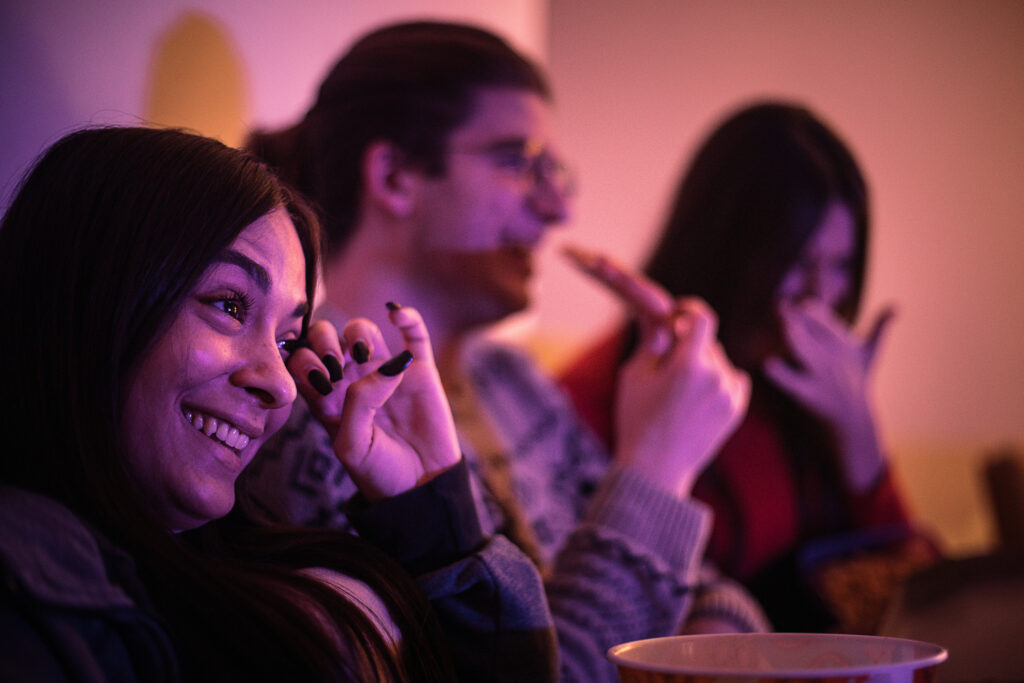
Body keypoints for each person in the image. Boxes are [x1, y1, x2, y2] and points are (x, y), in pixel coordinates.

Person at [239, 20, 769, 682]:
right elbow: (539, 675)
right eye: (517, 161)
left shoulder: (512, 382)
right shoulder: (317, 410)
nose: (556, 208)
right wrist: (658, 462)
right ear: (396, 175)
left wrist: (706, 651)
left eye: (552, 169)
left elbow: (719, 593)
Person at [0, 126, 558, 681]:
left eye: (289, 340)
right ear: (88, 302)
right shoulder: (28, 576)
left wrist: (432, 513)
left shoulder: (256, 571)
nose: (283, 384)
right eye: (228, 305)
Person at [562, 101, 940, 633]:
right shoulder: (608, 394)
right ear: (726, 250)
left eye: (842, 266)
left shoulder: (809, 393)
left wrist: (861, 434)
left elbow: (912, 606)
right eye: (798, 263)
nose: (821, 297)